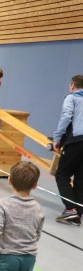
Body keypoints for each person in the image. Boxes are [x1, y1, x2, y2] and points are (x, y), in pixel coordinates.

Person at [52, 74, 83, 226]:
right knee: (80, 179)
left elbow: (66, 116)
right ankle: (77, 214)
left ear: (72, 85)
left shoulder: (72, 98)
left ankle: (70, 209)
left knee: (62, 175)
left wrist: (57, 138)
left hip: (76, 141)